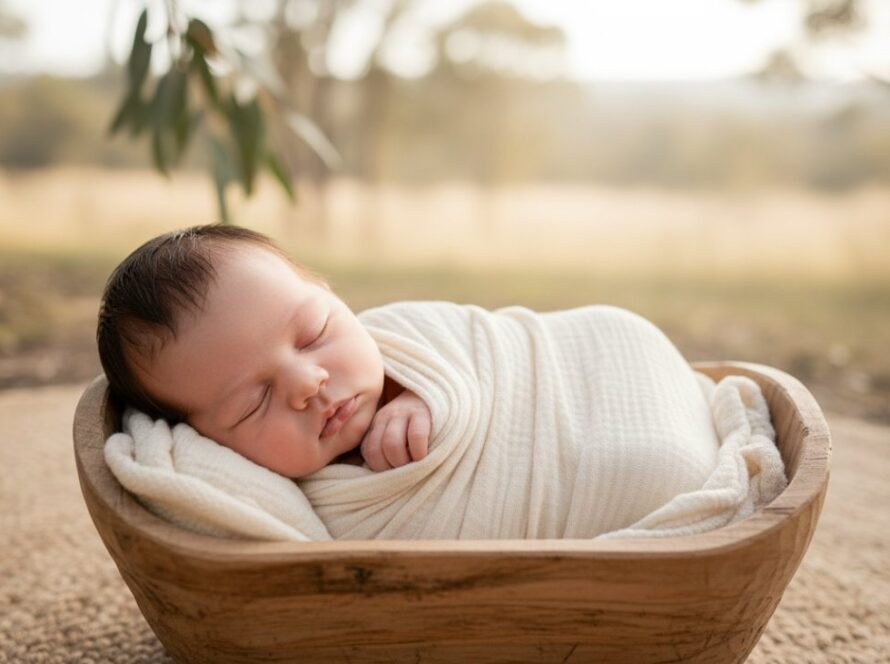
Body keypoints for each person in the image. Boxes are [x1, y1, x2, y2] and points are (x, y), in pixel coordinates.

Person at [97, 224, 431, 477]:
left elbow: (477, 348)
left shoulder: (416, 337)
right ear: (203, 441)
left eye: (313, 333)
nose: (307, 383)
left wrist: (429, 394)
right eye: (254, 403)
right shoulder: (271, 507)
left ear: (330, 294)